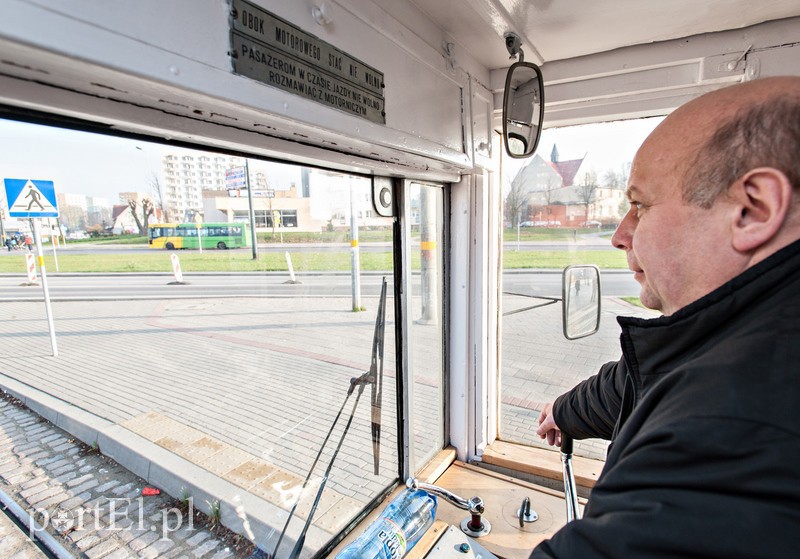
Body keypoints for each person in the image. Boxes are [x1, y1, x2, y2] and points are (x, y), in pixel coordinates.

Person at [532, 76, 800, 558]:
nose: (620, 235)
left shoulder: (731, 434)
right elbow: (643, 379)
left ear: (752, 210)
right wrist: (565, 411)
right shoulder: (744, 334)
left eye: (639, 205)